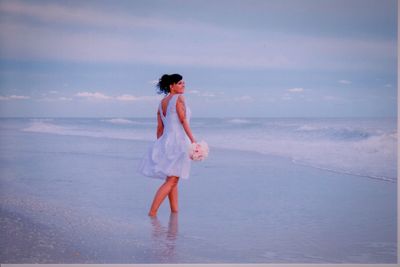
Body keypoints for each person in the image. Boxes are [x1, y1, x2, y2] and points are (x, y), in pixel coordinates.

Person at [138, 73, 196, 217]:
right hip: (179, 141)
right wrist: (193, 141)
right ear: (172, 86)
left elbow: (159, 128)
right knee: (172, 180)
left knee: (173, 177)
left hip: (166, 140)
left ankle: (174, 211)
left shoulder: (162, 102)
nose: (183, 85)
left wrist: (160, 145)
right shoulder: (178, 98)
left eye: (183, 83)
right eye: (180, 83)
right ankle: (152, 212)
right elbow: (183, 121)